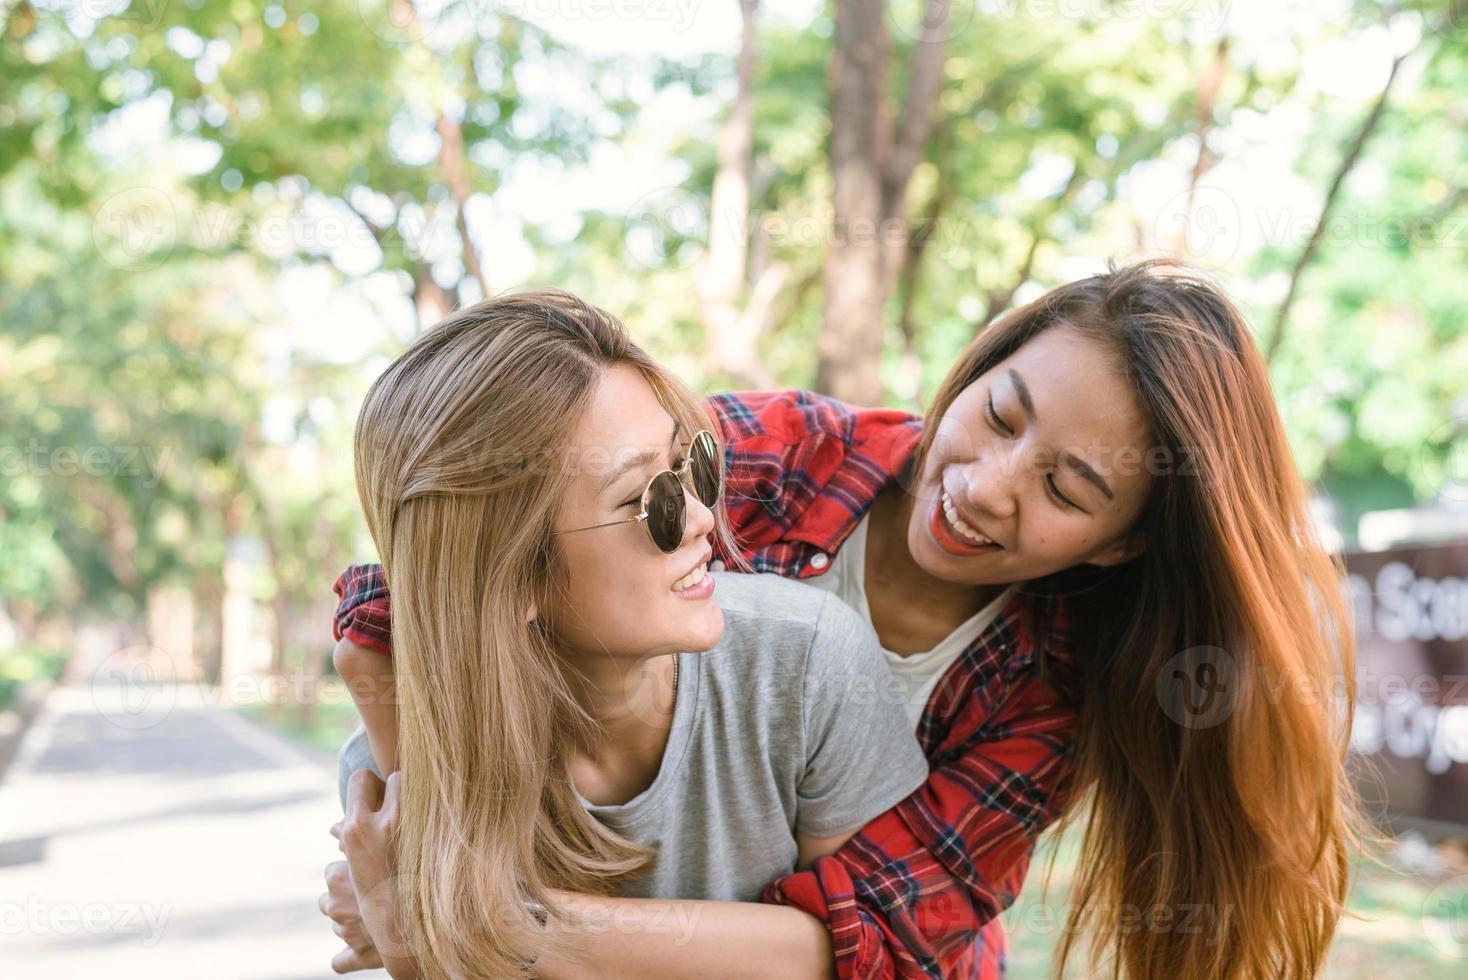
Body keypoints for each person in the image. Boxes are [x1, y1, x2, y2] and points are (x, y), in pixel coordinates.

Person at [326, 261, 1361, 979]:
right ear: (982, 361)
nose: (989, 485)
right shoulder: (754, 457)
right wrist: (414, 861)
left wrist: (488, 923)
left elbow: (871, 943)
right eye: (1001, 412)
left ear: (1118, 543)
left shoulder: (1052, 693)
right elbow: (448, 570)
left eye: (1069, 487)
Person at [330, 289, 929, 978]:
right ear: (513, 577)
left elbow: (863, 957)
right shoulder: (401, 759)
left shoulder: (808, 664)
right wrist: (415, 940)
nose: (704, 518)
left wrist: (497, 921)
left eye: (692, 466)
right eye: (652, 502)